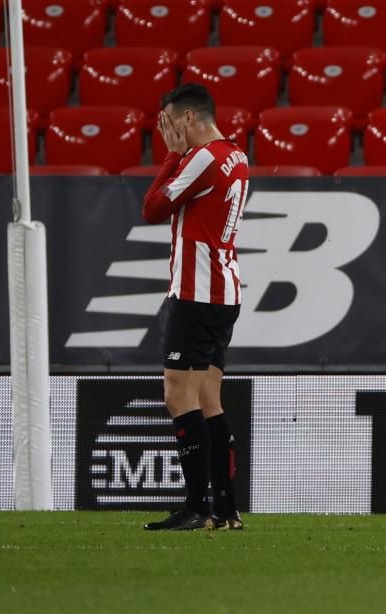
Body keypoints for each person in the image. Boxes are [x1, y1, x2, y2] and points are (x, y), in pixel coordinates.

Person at [140, 83, 249, 531]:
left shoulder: (202, 158)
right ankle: (225, 510)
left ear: (187, 119)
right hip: (224, 293)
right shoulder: (238, 155)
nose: (165, 130)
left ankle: (197, 508)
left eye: (168, 122)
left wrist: (171, 156)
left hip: (196, 293)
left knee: (176, 394)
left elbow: (152, 208)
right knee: (208, 399)